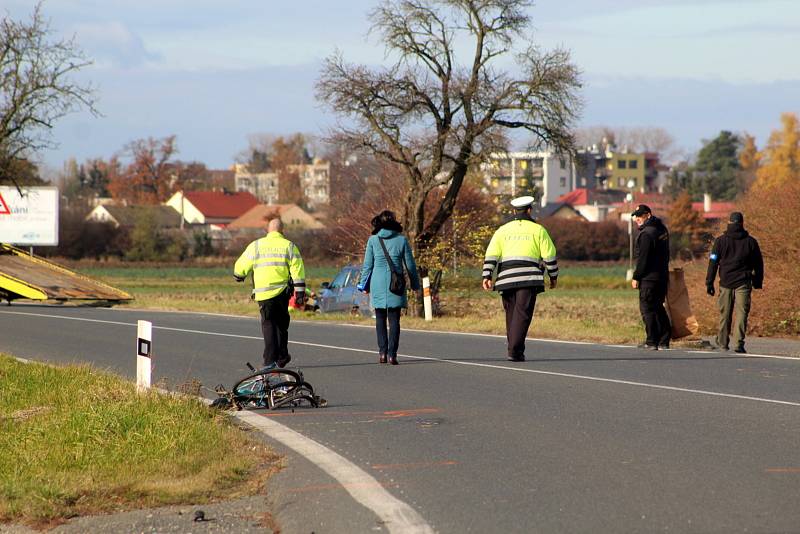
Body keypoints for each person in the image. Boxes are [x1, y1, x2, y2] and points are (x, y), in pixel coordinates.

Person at [482, 196, 558, 362]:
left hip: (505, 279)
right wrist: (553, 276)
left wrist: (487, 275)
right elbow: (549, 255)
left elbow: (492, 253)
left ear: (514, 211)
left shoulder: (502, 230)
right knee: (522, 314)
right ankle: (515, 350)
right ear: (529, 210)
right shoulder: (538, 230)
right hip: (529, 278)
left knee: (511, 314)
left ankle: (514, 349)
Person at [234, 218, 305, 370]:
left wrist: (239, 275)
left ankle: (269, 360)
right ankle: (282, 356)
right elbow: (297, 269)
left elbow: (241, 266)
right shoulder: (289, 246)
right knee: (281, 324)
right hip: (282, 292)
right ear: (282, 231)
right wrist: (300, 292)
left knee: (268, 325)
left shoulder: (256, 246)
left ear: (267, 230)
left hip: (263, 293)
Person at [358, 210, 420, 365]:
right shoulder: (402, 240)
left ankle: (382, 353)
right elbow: (410, 265)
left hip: (377, 283)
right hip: (396, 284)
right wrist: (414, 283)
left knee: (380, 318)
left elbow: (367, 265)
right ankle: (392, 355)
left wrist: (363, 284)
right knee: (394, 320)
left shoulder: (373, 240)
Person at [705, 211, 764, 354]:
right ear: (742, 223)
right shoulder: (751, 242)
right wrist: (757, 281)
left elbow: (713, 262)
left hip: (725, 282)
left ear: (729, 223)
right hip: (743, 282)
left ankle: (723, 342)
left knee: (725, 314)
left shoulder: (720, 241)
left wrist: (709, 282)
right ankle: (738, 343)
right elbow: (759, 264)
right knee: (742, 313)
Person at [630, 204, 671, 350]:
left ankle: (652, 341)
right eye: (636, 216)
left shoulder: (647, 234)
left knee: (647, 309)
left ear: (648, 215)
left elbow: (643, 259)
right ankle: (664, 339)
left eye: (640, 216)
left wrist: (636, 277)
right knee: (658, 307)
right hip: (662, 276)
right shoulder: (662, 230)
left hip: (649, 278)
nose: (637, 219)